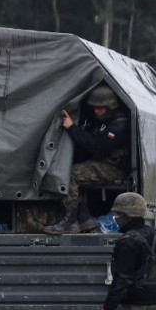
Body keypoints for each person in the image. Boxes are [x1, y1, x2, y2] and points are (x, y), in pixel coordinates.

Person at [46, 84, 131, 234]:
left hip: (115, 168)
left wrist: (72, 128)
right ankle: (85, 218)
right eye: (95, 107)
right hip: (106, 164)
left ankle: (70, 222)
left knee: (73, 174)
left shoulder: (119, 124)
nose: (96, 111)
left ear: (110, 106)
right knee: (81, 171)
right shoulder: (104, 119)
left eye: (101, 108)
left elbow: (97, 145)